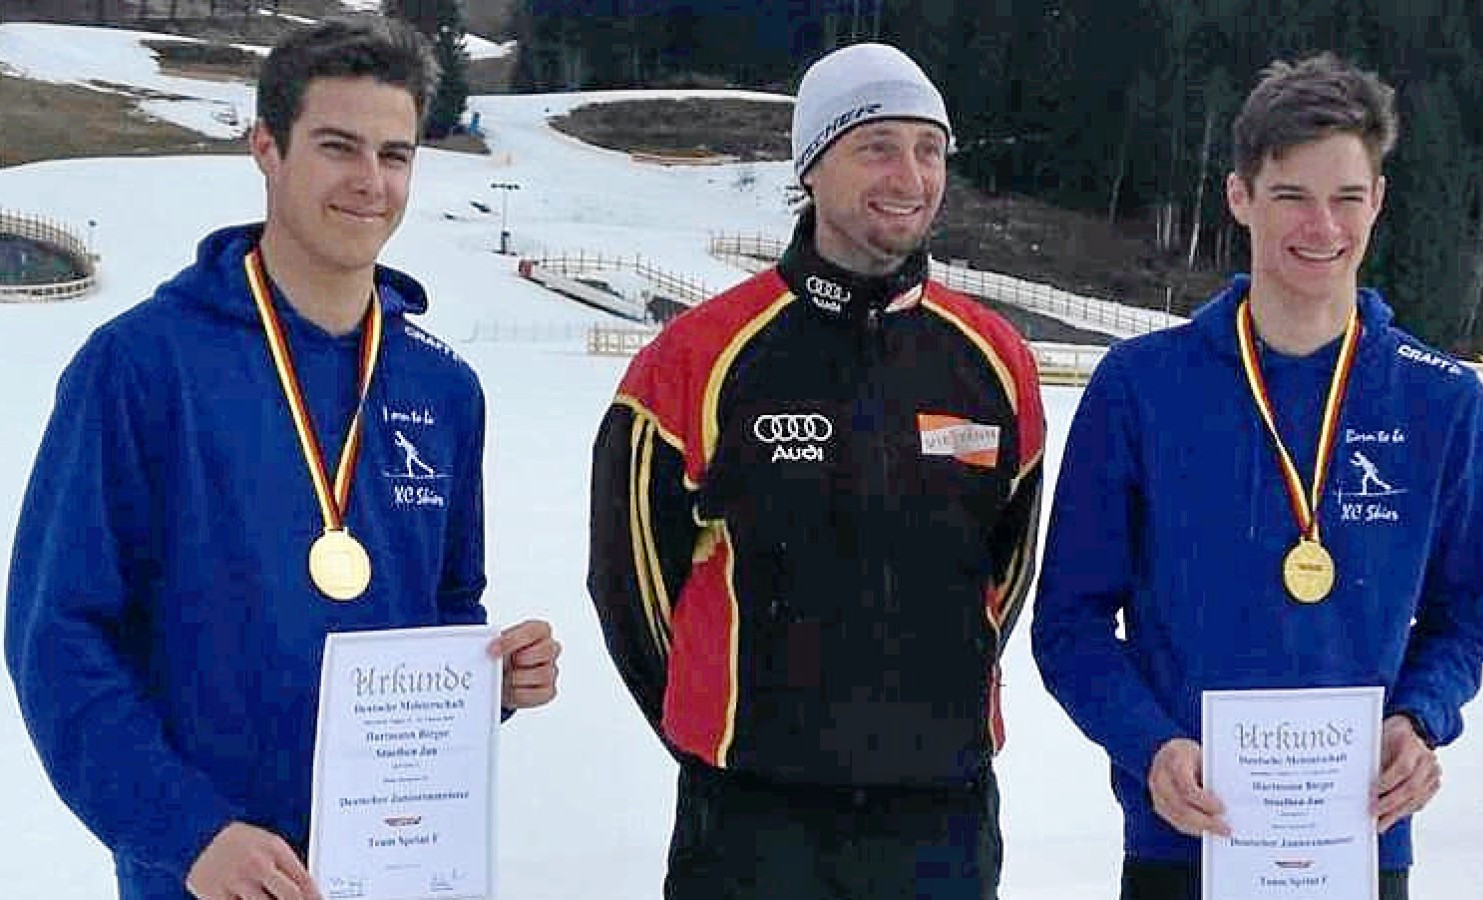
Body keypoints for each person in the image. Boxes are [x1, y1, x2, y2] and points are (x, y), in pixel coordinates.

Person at [5, 18, 560, 900]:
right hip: (210, 875)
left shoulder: (445, 389)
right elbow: (58, 639)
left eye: (396, 154)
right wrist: (189, 833)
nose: (370, 183)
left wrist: (490, 676)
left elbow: (445, 605)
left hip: (393, 869)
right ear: (266, 146)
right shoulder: (142, 366)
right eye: (338, 147)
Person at [1031, 53, 1483, 900]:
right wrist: (1151, 746)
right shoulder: (1141, 390)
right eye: (1291, 195)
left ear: (1379, 203)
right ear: (1240, 197)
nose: (1321, 226)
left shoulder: (1444, 402)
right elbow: (1068, 626)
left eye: (1347, 198)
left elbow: (1464, 618)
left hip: (1358, 844)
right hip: (1184, 843)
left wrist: (1421, 719)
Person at [588, 41, 1046, 900]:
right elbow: (630, 582)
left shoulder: (996, 360)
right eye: (877, 145)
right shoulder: (699, 357)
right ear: (811, 164)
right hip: (754, 822)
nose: (909, 175)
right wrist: (728, 733)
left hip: (941, 818)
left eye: (929, 148)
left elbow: (1004, 574)